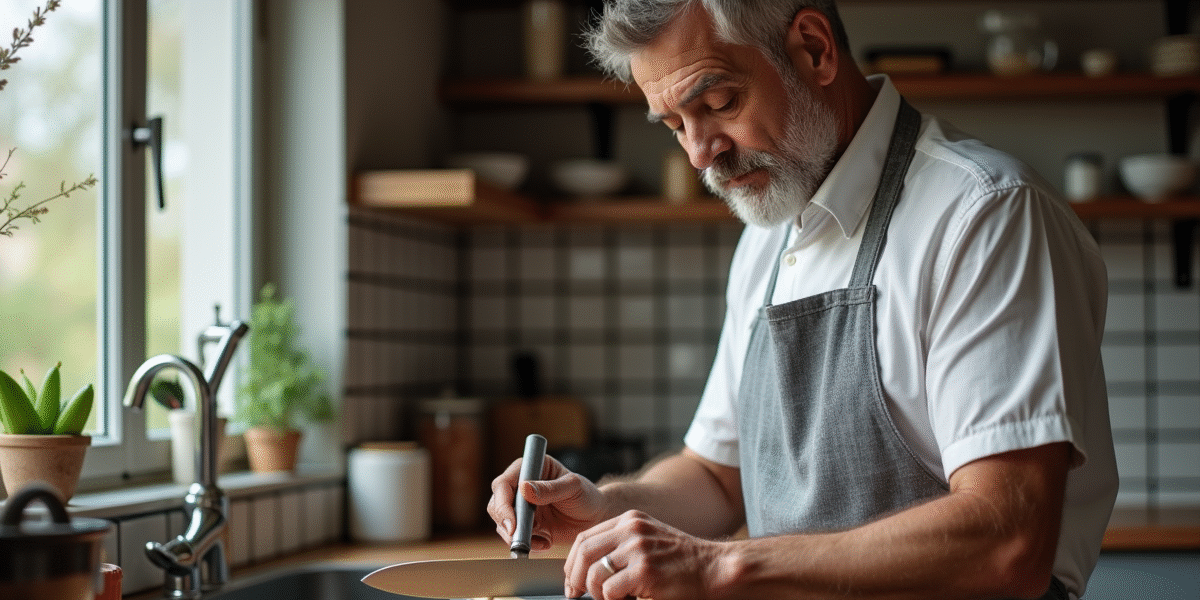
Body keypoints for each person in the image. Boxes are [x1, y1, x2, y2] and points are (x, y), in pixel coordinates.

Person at [487, 1, 1118, 599]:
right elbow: (714, 477)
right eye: (677, 124)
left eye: (718, 102)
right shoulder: (768, 237)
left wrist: (720, 568)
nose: (701, 152)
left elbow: (1009, 541)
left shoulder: (983, 215)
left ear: (813, 50)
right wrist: (603, 508)